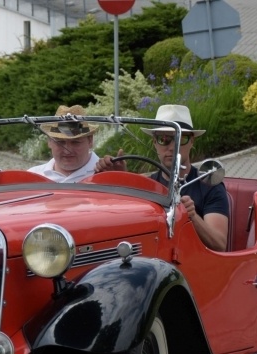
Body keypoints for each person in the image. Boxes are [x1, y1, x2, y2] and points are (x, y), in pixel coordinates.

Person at [96, 104, 229, 252]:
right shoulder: (148, 185)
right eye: (164, 139)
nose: (172, 147)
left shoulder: (210, 185)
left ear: (192, 141)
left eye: (180, 139)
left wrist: (191, 216)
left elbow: (219, 244)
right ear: (154, 142)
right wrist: (120, 178)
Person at [28, 105, 101, 183]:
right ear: (49, 141)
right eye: (60, 142)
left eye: (75, 142)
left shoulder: (106, 173)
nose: (67, 151)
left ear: (90, 140)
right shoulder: (32, 176)